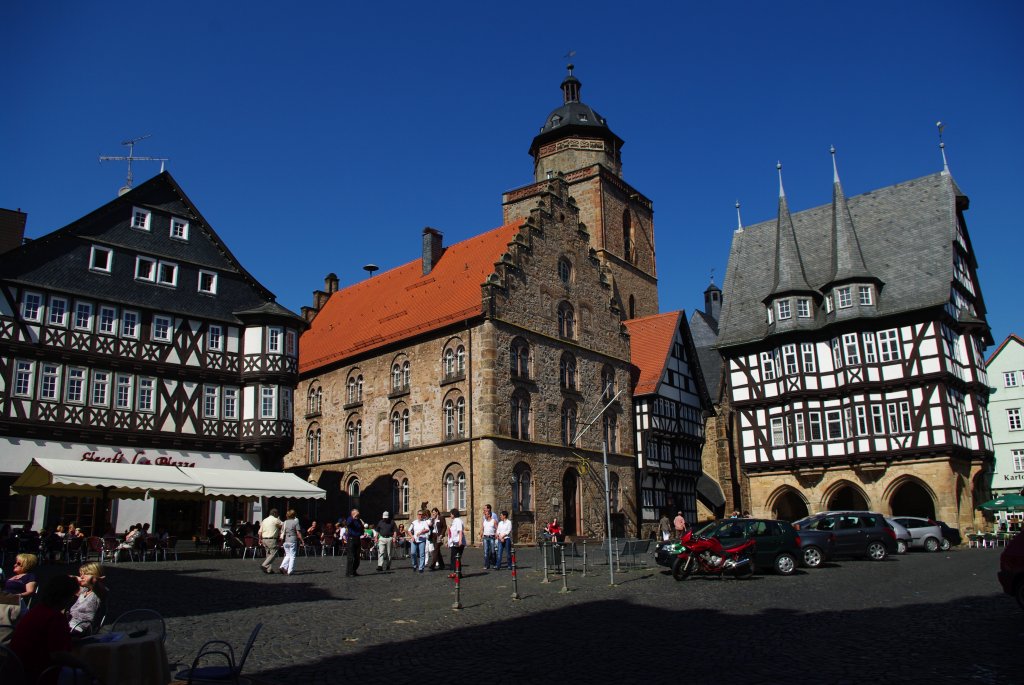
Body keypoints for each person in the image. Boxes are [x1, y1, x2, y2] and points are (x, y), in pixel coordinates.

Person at [10, 573, 80, 685]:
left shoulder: (37, 610)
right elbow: (58, 654)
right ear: (66, 596)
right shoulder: (55, 617)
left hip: (15, 668)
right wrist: (84, 664)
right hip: (36, 673)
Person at [68, 562, 107, 633]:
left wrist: (93, 579)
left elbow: (97, 586)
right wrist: (75, 579)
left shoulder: (99, 592)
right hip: (70, 624)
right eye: (80, 574)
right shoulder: (84, 590)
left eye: (85, 574)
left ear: (96, 575)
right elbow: (65, 581)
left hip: (82, 628)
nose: (81, 577)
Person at [279, 510, 304, 575]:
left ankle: (282, 566)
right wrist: (302, 540)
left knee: (287, 555)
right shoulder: (295, 522)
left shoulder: (284, 522)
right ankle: (290, 570)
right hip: (293, 539)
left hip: (286, 540)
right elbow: (298, 533)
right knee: (292, 556)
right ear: (294, 515)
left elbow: (281, 531)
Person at [259, 509, 284, 574]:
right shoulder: (275, 519)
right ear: (275, 514)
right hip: (271, 539)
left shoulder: (264, 520)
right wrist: (279, 520)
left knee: (268, 554)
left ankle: (268, 570)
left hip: (264, 539)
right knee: (273, 553)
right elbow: (284, 524)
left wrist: (260, 539)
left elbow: (260, 531)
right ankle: (264, 565)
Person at [343, 508, 365, 577]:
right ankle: (349, 572)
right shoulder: (350, 518)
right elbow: (348, 524)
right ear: (353, 513)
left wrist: (362, 525)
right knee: (350, 557)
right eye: (357, 512)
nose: (358, 513)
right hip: (351, 539)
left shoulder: (358, 520)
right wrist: (353, 517)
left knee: (357, 557)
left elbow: (361, 530)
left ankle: (354, 571)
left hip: (357, 539)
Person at [447, 508, 466, 578]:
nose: (450, 515)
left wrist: (460, 541)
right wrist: (449, 542)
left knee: (456, 558)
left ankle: (457, 573)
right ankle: (456, 572)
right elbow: (452, 533)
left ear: (453, 514)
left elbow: (460, 531)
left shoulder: (457, 520)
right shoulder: (455, 521)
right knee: (454, 558)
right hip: (454, 542)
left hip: (458, 543)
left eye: (451, 514)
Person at [481, 504, 499, 569]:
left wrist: (497, 534)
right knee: (486, 552)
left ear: (489, 514)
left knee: (493, 551)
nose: (484, 514)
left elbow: (497, 528)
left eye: (486, 514)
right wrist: (481, 533)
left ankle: (494, 564)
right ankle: (486, 565)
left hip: (491, 537)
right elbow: (482, 528)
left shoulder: (493, 519)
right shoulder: (484, 520)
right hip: (485, 537)